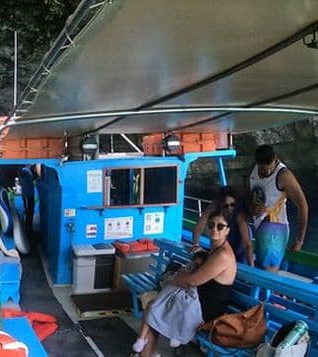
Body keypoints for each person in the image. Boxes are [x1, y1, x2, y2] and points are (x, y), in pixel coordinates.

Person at [132, 210, 237, 357]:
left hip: (206, 310)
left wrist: (178, 277)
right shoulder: (214, 250)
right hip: (196, 300)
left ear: (227, 230)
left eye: (220, 226)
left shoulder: (223, 255)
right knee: (155, 307)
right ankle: (147, 353)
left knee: (154, 308)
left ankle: (145, 351)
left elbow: (193, 280)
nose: (215, 229)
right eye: (211, 225)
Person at [248, 144, 309, 272]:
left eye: (270, 169)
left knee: (269, 271)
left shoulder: (284, 175)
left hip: (274, 228)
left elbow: (303, 205)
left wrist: (300, 240)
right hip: (259, 224)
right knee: (262, 266)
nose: (267, 173)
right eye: (263, 171)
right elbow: (249, 191)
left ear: (275, 159)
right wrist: (251, 207)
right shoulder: (253, 169)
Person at [191, 186, 254, 265]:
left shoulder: (239, 215)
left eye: (232, 205)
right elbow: (198, 227)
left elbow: (247, 244)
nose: (229, 208)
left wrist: (251, 268)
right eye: (226, 206)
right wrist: (195, 245)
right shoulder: (214, 208)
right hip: (222, 244)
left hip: (239, 243)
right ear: (220, 205)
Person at [19, 164, 40, 233]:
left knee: (30, 211)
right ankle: (28, 228)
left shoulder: (28, 172)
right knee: (29, 211)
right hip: (27, 195)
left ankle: (29, 227)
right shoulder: (25, 172)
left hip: (29, 194)